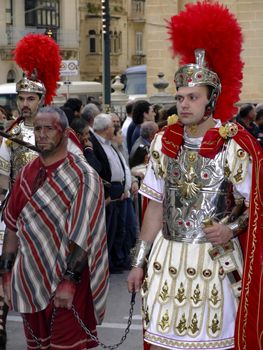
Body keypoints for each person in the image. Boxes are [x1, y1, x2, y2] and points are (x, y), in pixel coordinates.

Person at [127, 2, 262, 350]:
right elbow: (154, 207)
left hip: (214, 261)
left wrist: (230, 228)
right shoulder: (163, 141)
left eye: (193, 97)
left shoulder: (234, 143)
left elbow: (255, 205)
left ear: (210, 101)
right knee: (161, 343)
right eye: (180, 97)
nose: (184, 104)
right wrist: (139, 263)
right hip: (168, 258)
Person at [0, 106, 109, 349]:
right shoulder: (27, 172)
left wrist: (69, 281)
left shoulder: (82, 175)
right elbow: (11, 227)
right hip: (30, 278)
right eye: (37, 129)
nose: (42, 134)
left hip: (68, 282)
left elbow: (85, 236)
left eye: (49, 128)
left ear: (65, 132)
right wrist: (6, 273)